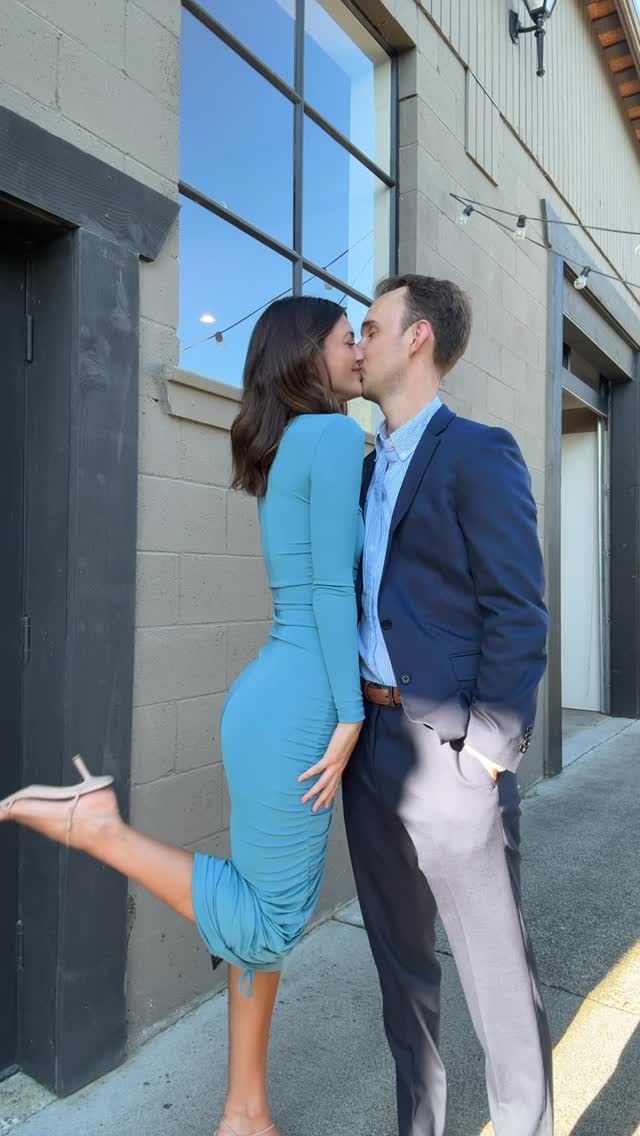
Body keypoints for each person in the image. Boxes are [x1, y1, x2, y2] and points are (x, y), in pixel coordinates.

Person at [0, 296, 367, 1136]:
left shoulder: (290, 443)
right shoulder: (334, 436)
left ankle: (245, 1112)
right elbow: (330, 591)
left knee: (253, 913)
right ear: (308, 354)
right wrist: (349, 718)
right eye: (348, 338)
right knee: (271, 919)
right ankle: (98, 827)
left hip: (271, 699)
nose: (358, 352)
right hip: (304, 706)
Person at [342, 274, 553, 1136]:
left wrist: (488, 752)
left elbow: (518, 609)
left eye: (370, 327)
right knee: (402, 979)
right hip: (369, 753)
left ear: (418, 337)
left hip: (450, 755)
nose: (358, 342)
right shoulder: (363, 470)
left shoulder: (478, 452)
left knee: (498, 983)